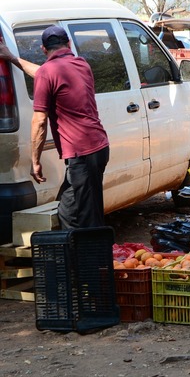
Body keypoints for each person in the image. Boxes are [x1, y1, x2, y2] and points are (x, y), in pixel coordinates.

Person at [0, 25, 110, 228]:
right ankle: (89, 255)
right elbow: (45, 73)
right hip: (98, 148)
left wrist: (35, 161)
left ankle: (87, 257)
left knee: (78, 216)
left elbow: (39, 121)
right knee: (78, 210)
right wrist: (13, 58)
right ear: (68, 44)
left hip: (82, 155)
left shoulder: (48, 72)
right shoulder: (81, 64)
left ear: (43, 49)